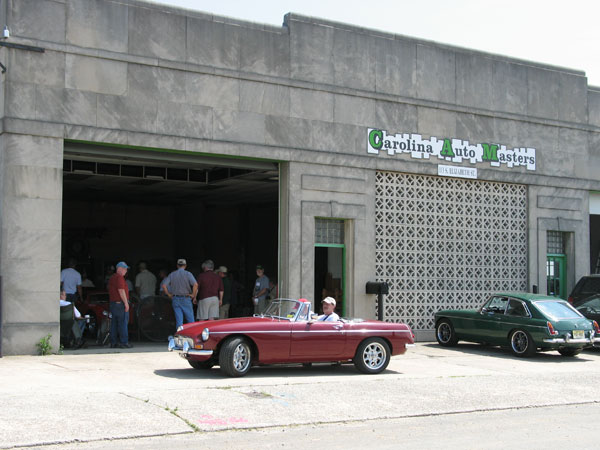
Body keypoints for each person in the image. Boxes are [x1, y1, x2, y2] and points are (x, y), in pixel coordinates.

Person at [162, 259, 198, 329]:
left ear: (177, 265)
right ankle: (192, 336)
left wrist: (169, 294)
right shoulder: (188, 274)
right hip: (186, 298)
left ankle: (179, 336)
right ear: (185, 266)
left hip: (175, 298)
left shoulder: (172, 274)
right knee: (190, 320)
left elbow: (164, 285)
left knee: (179, 321)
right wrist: (193, 295)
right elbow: (195, 284)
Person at [107, 261, 133, 348]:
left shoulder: (112, 278)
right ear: (120, 269)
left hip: (113, 304)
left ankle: (113, 342)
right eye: (125, 269)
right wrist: (126, 303)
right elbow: (121, 290)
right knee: (123, 323)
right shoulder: (120, 278)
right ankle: (124, 342)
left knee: (114, 324)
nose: (126, 271)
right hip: (120, 304)